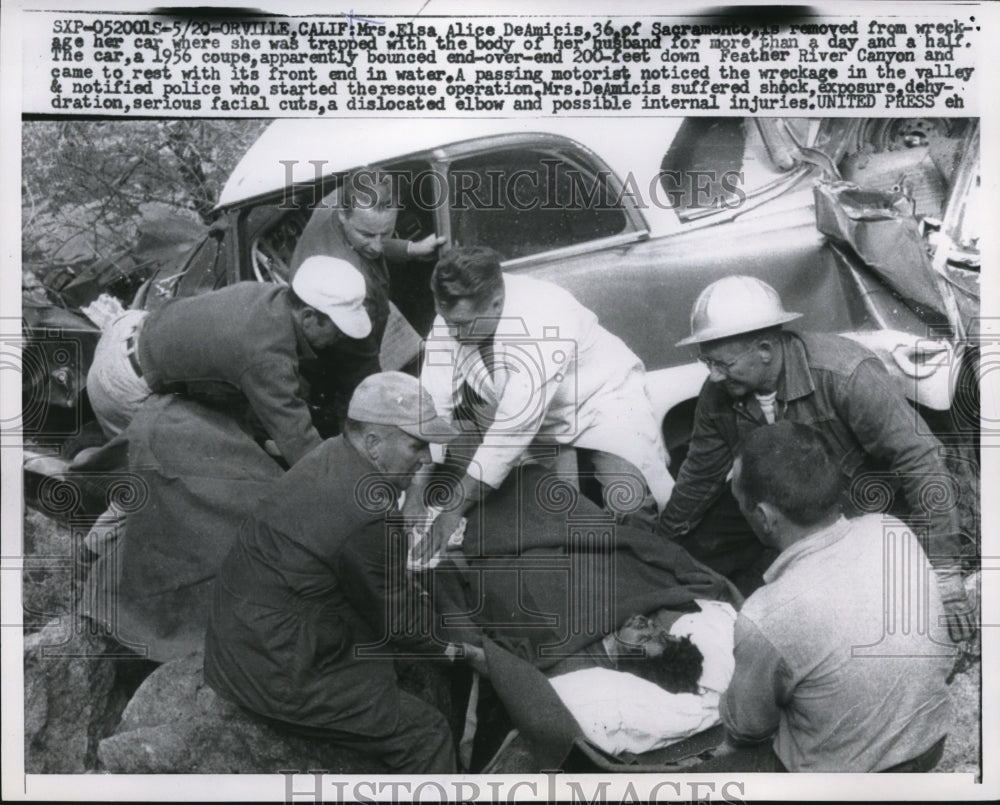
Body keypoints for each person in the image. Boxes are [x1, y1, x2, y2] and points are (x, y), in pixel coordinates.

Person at [658, 274, 973, 639]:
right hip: (785, 507)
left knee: (867, 609)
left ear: (764, 348)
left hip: (861, 508)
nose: (713, 376)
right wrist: (663, 543)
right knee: (696, 552)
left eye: (723, 364)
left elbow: (921, 461)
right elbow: (699, 475)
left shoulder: (846, 373)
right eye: (707, 362)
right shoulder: (718, 394)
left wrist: (946, 575)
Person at [203, 372, 485, 773]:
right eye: (416, 445)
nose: (426, 458)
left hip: (243, 635)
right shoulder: (368, 512)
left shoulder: (330, 453)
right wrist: (462, 653)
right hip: (273, 670)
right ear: (372, 442)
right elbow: (400, 625)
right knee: (427, 734)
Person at [704, 421, 953, 772]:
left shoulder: (767, 612)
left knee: (709, 775)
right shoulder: (890, 529)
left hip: (852, 781)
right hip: (929, 744)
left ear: (763, 516)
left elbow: (747, 730)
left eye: (741, 504)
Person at [420, 246, 674, 545]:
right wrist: (417, 486)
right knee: (554, 522)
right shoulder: (453, 319)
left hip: (603, 404)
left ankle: (651, 576)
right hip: (539, 425)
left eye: (460, 325)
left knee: (629, 504)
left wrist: (451, 511)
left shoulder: (544, 316)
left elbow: (511, 431)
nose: (450, 334)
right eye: (445, 320)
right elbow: (432, 406)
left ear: (496, 303)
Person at [86, 256, 370, 466]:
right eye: (338, 329)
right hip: (123, 380)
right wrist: (344, 477)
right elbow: (299, 443)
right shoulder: (266, 355)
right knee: (171, 482)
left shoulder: (268, 296)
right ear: (309, 316)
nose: (341, 338)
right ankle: (96, 543)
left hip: (129, 331)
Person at [288, 168, 445, 415]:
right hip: (336, 351)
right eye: (367, 235)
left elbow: (374, 241)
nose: (377, 245)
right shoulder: (352, 286)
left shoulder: (333, 200)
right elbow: (362, 366)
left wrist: (411, 249)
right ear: (343, 216)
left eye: (387, 232)